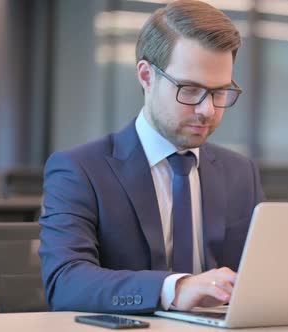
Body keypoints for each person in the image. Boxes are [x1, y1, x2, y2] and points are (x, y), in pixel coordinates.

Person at [39, 0, 264, 314]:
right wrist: (175, 288)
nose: (207, 110)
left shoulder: (241, 172)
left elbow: (259, 279)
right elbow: (64, 283)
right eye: (189, 89)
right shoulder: (79, 170)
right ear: (146, 76)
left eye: (219, 91)